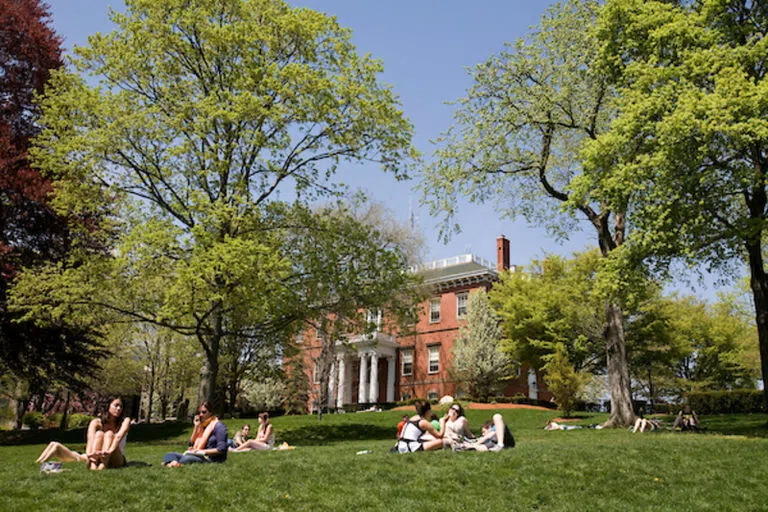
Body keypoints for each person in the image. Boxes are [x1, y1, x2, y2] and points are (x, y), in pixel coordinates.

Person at [37, 396, 131, 471]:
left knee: (109, 434)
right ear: (107, 406)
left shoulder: (125, 421)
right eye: (116, 405)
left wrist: (107, 452)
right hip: (97, 455)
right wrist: (90, 454)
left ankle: (102, 466)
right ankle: (94, 466)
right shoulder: (96, 422)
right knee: (99, 434)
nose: (119, 409)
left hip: (115, 457)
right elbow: (90, 440)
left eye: (121, 407)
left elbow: (118, 437)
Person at [163, 401, 228, 466]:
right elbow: (191, 444)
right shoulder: (201, 426)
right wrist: (196, 427)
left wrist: (201, 452)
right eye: (199, 412)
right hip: (197, 455)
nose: (201, 415)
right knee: (169, 454)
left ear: (210, 413)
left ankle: (170, 463)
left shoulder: (219, 426)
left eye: (204, 412)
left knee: (185, 459)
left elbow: (221, 449)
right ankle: (173, 463)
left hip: (210, 458)